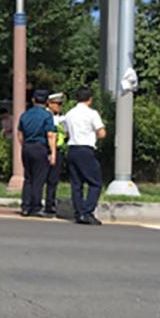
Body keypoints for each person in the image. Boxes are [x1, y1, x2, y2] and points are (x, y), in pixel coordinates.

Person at [63, 87, 107, 225]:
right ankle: (88, 211)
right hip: (86, 149)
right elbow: (102, 133)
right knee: (95, 182)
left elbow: (66, 133)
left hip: (72, 149)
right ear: (90, 99)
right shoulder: (92, 113)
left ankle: (79, 212)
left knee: (76, 183)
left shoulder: (69, 114)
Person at [16, 90, 56, 217]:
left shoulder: (25, 115)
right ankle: (36, 206)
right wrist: (53, 152)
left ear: (33, 100)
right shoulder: (47, 116)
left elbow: (20, 134)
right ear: (47, 102)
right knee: (39, 179)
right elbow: (50, 135)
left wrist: (25, 145)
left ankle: (25, 206)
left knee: (28, 178)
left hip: (27, 147)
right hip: (40, 147)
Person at [44, 92, 67, 216]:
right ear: (50, 103)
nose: (59, 106)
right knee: (41, 177)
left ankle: (50, 203)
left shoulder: (61, 118)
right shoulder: (46, 116)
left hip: (57, 149)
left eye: (61, 104)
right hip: (45, 149)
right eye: (57, 104)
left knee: (53, 179)